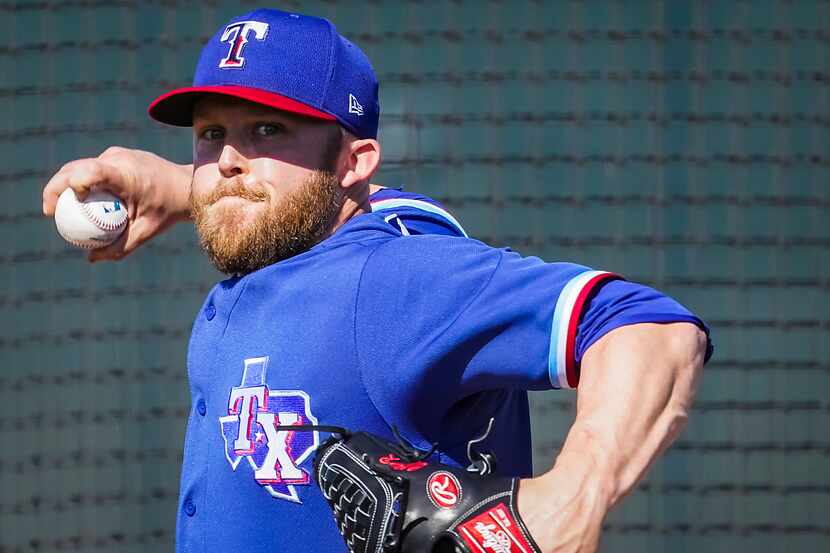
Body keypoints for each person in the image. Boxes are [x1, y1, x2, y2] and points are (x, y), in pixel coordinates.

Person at [41, 8, 711, 553]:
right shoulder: (379, 229)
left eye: (269, 129)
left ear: (356, 158)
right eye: (212, 134)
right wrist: (182, 186)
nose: (228, 162)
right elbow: (360, 205)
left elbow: (648, 326)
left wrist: (577, 492)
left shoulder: (391, 283)